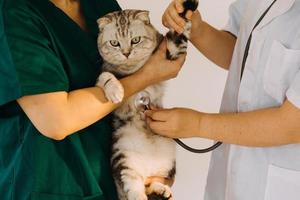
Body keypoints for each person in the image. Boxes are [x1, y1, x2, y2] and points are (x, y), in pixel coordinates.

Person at [0, 0, 185, 199]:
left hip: (110, 181)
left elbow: (130, 83)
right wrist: (147, 76)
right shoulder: (14, 13)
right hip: (50, 182)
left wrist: (151, 171)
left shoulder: (100, 4)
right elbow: (55, 120)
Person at [146, 0, 300, 199]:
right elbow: (241, 53)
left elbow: (293, 124)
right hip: (232, 176)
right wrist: (196, 28)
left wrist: (198, 125)